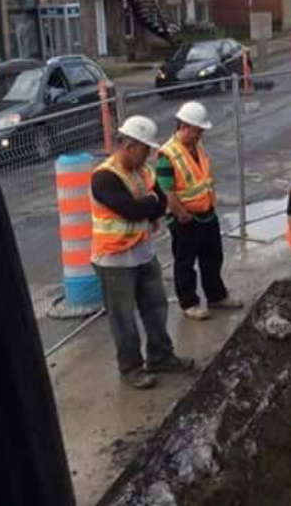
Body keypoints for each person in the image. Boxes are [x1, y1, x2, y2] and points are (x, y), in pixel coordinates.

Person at [90, 116, 194, 390]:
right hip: (114, 259)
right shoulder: (104, 177)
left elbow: (160, 203)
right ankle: (131, 369)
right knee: (123, 317)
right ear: (130, 146)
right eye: (144, 149)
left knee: (156, 306)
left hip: (143, 252)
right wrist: (150, 202)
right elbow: (132, 209)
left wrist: (149, 203)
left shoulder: (143, 171)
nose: (148, 154)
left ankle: (161, 356)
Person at [157, 102, 243, 321]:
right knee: (185, 262)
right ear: (184, 126)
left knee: (213, 257)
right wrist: (180, 213)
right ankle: (189, 303)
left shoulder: (197, 146)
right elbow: (167, 189)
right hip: (185, 219)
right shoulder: (168, 154)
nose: (200, 134)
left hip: (206, 213)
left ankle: (216, 296)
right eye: (198, 130)